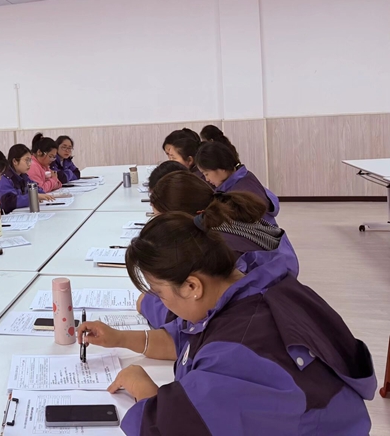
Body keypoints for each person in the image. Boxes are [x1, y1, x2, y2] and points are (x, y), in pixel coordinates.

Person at [78, 213, 376, 436]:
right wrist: (121, 338)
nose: (161, 303)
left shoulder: (236, 354)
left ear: (192, 286)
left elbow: (169, 427)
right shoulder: (257, 287)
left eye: (160, 294)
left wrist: (143, 388)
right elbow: (188, 340)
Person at [140, 171, 298, 328]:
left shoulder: (217, 247)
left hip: (256, 319)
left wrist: (148, 304)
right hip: (280, 305)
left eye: (162, 220)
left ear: (181, 219)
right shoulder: (227, 218)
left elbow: (198, 318)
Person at [196, 140, 280, 224]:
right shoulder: (242, 178)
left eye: (206, 174)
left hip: (262, 231)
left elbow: (240, 225)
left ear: (221, 168)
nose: (207, 179)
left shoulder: (242, 189)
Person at [0, 144, 55, 213]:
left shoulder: (23, 176)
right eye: (27, 160)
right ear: (15, 161)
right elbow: (9, 202)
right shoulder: (4, 178)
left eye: (30, 160)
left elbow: (37, 189)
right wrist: (34, 197)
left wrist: (38, 195)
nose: (29, 164)